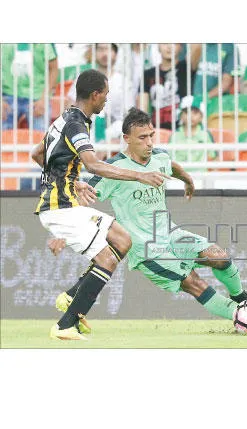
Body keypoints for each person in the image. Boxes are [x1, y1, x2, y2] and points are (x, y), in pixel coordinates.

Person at [53, 108, 247, 333]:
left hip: (170, 234)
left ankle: (241, 296)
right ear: (126, 138)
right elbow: (79, 199)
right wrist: (62, 233)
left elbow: (172, 166)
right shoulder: (113, 169)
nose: (149, 143)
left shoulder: (159, 157)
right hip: (145, 249)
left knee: (219, 256)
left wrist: (187, 180)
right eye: (142, 138)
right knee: (193, 282)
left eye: (151, 135)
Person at [31, 69, 168, 340]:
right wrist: (139, 175)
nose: (107, 99)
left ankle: (72, 297)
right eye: (106, 93)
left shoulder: (65, 119)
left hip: (65, 202)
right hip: (59, 208)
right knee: (106, 258)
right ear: (95, 95)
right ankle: (65, 325)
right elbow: (93, 164)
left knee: (122, 239)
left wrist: (71, 180)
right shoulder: (76, 125)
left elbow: (37, 153)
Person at [66, 44, 137, 142]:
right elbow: (70, 107)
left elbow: (130, 114)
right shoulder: (83, 78)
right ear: (94, 53)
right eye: (100, 49)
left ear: (116, 53)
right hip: (87, 130)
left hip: (116, 133)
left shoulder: (124, 82)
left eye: (108, 49)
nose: (104, 53)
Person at [139, 43, 197, 130]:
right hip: (157, 131)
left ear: (181, 47)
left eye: (174, 43)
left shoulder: (187, 68)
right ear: (158, 47)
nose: (169, 47)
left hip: (182, 131)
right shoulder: (148, 74)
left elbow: (198, 47)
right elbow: (142, 107)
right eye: (165, 43)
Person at [1, 43, 58, 132]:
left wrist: (43, 99)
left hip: (37, 98)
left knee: (41, 137)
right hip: (7, 97)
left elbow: (54, 69)